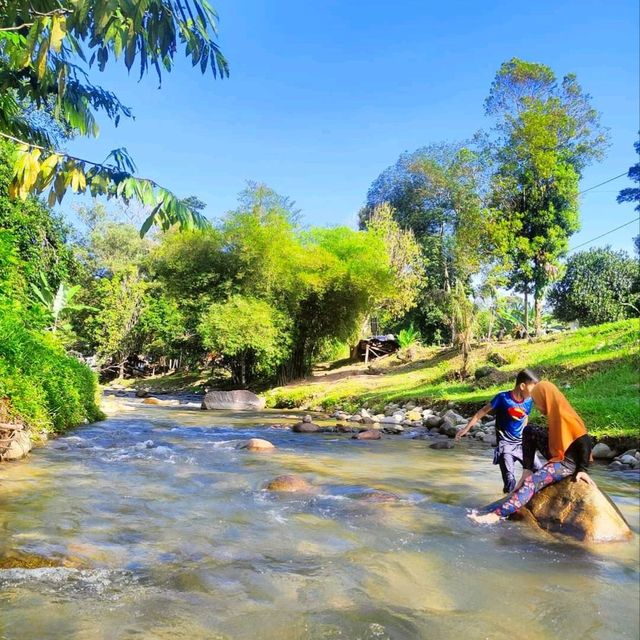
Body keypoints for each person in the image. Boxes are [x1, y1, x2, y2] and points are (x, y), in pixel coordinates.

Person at [468, 380, 594, 524]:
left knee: (531, 483)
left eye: (536, 401)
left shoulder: (565, 415)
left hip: (567, 464)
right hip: (561, 452)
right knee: (529, 430)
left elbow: (585, 441)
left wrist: (582, 469)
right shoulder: (555, 410)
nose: (535, 405)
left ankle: (496, 515)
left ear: (545, 398)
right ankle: (527, 470)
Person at [456, 369, 539, 493]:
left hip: (522, 444)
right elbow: (483, 411)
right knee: (510, 480)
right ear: (522, 386)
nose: (535, 391)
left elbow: (525, 416)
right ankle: (509, 506)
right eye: (533, 387)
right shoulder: (503, 398)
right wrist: (466, 428)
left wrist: (525, 436)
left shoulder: (529, 401)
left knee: (540, 470)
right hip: (505, 445)